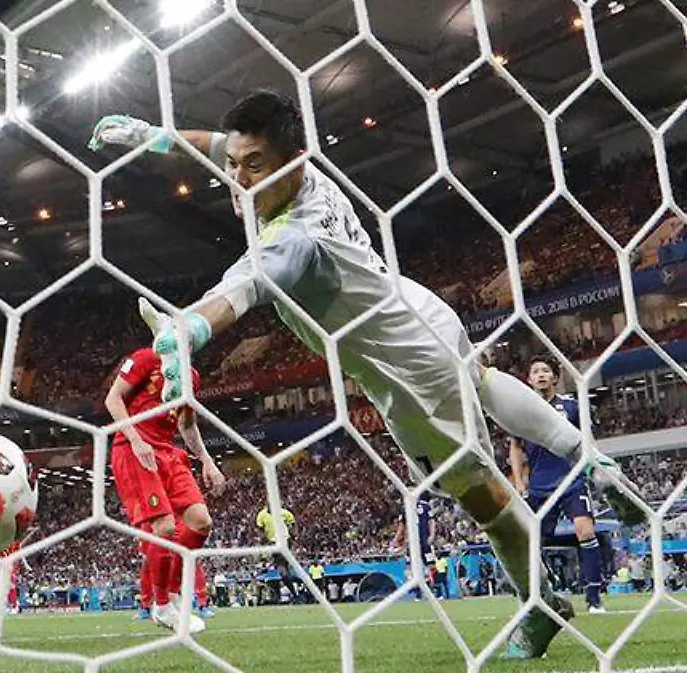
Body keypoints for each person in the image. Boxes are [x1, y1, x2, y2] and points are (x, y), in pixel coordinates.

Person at [87, 90, 641, 659]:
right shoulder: (299, 176)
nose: (237, 179)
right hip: (417, 308)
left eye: (253, 167)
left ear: (292, 163)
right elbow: (214, 146)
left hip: (402, 369)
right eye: (234, 164)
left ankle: (539, 602)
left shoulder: (294, 237)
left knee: (479, 491)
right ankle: (589, 457)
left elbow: (243, 287)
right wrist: (151, 136)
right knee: (481, 379)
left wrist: (187, 331)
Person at [104, 347, 225, 633]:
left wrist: (207, 460)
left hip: (168, 452)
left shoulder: (191, 376)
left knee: (201, 522)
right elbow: (113, 399)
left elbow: (187, 424)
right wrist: (135, 439)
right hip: (135, 449)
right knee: (165, 528)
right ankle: (161, 605)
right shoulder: (147, 358)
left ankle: (172, 591)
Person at [509, 355, 606, 614]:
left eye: (545, 371)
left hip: (572, 480)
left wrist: (596, 467)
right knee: (532, 542)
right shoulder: (522, 411)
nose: (541, 375)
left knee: (585, 531)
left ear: (554, 377)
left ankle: (594, 598)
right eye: (535, 371)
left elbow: (588, 439)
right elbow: (515, 448)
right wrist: (519, 482)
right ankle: (540, 596)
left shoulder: (571, 406)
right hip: (539, 486)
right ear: (529, 379)